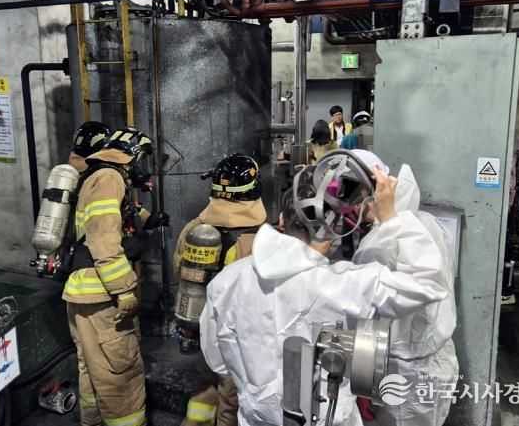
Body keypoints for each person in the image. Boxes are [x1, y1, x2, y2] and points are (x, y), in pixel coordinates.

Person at [199, 150, 454, 426]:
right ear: (332, 232)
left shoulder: (226, 281)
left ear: (282, 220)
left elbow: (218, 361)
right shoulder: (341, 285)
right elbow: (428, 283)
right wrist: (392, 218)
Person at [351, 150, 459, 426]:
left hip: (406, 372)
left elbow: (369, 315)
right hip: (435, 360)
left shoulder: (382, 241)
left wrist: (362, 379)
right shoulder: (424, 221)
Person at [63, 127, 153, 426]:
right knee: (120, 375)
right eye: (143, 159)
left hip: (85, 293)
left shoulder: (96, 176)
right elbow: (102, 238)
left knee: (93, 369)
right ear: (132, 156)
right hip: (102, 295)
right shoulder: (109, 178)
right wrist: (124, 289)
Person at [176, 154, 267, 426]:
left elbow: (177, 267)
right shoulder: (258, 238)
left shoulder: (195, 228)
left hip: (199, 326)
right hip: (235, 337)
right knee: (231, 402)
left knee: (205, 388)